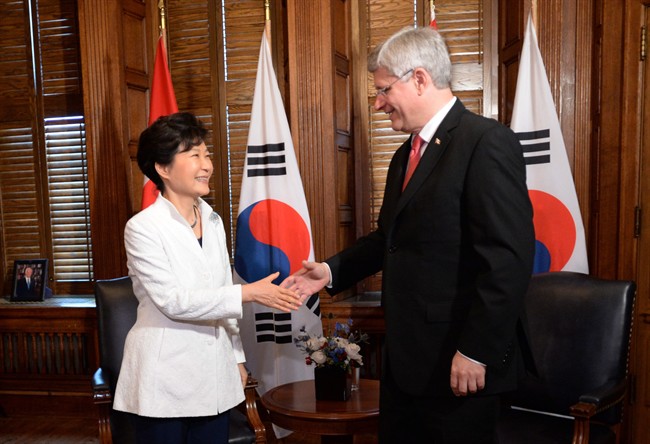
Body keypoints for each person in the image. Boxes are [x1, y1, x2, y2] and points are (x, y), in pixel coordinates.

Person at [284, 27, 535, 443]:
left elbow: (507, 261)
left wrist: (476, 351)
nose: (379, 103)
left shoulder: (486, 143)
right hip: (408, 363)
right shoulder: (405, 155)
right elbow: (390, 239)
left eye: (383, 89)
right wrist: (329, 271)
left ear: (419, 78)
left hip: (461, 363)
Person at [113, 112, 302, 444]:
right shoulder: (142, 227)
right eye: (194, 155)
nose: (207, 164)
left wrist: (237, 358)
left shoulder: (212, 220)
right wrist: (248, 293)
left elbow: (219, 295)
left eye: (207, 154)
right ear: (163, 168)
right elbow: (175, 302)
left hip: (214, 376)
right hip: (164, 381)